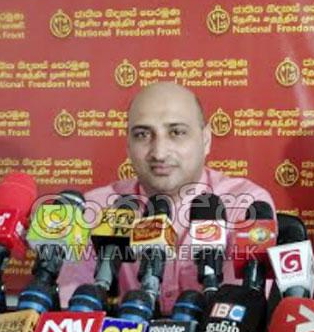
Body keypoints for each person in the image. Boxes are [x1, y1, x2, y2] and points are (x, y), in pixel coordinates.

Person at [56, 81, 275, 313]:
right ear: (128, 145)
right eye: (142, 135)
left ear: (206, 140)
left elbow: (242, 311)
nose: (159, 153)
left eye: (177, 132)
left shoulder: (245, 205)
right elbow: (75, 313)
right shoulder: (97, 209)